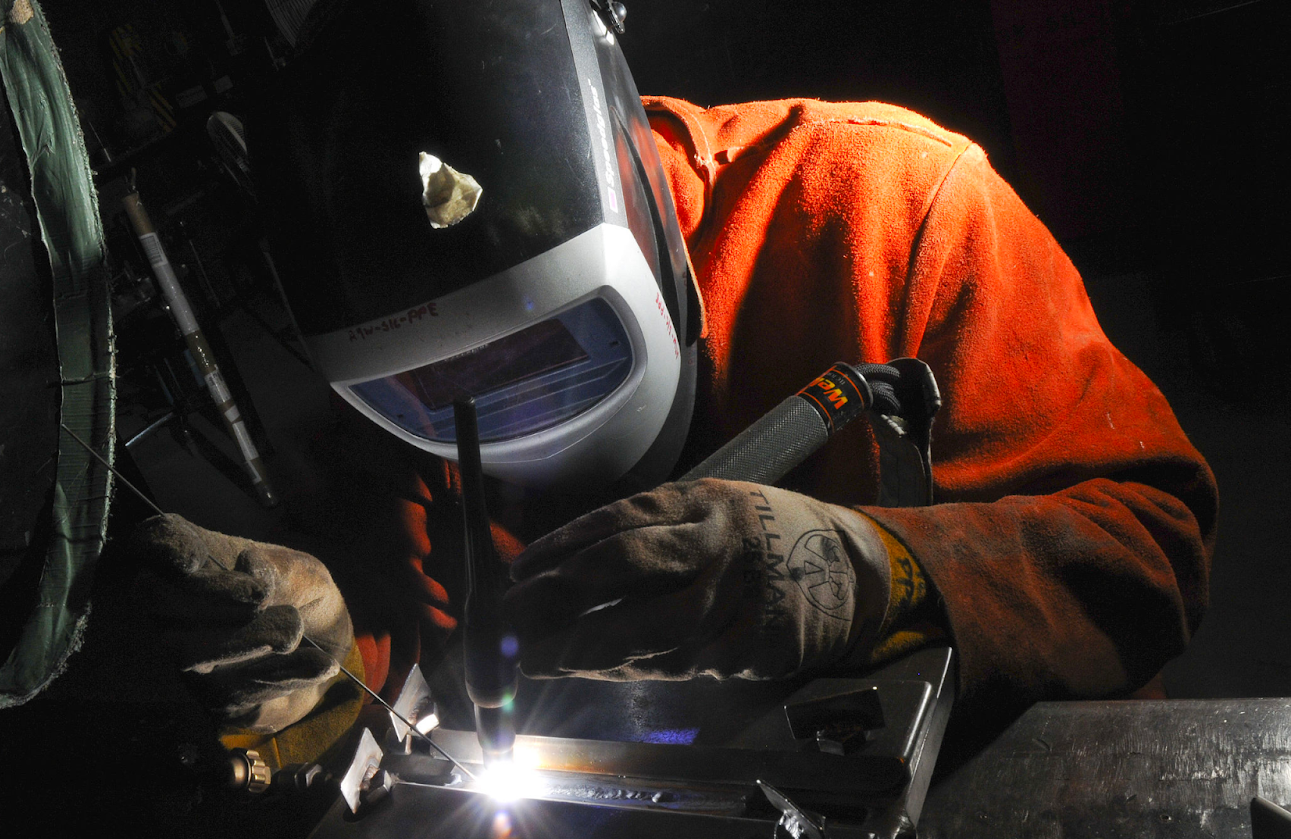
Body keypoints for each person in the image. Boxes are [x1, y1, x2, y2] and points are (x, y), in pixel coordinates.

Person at [122, 1, 1216, 738]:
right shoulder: (394, 381)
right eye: (441, 392)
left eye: (543, 349)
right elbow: (453, 639)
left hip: (991, 785)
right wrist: (337, 644)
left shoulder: (892, 204)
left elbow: (1148, 554)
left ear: (639, 207)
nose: (501, 407)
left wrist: (876, 574)